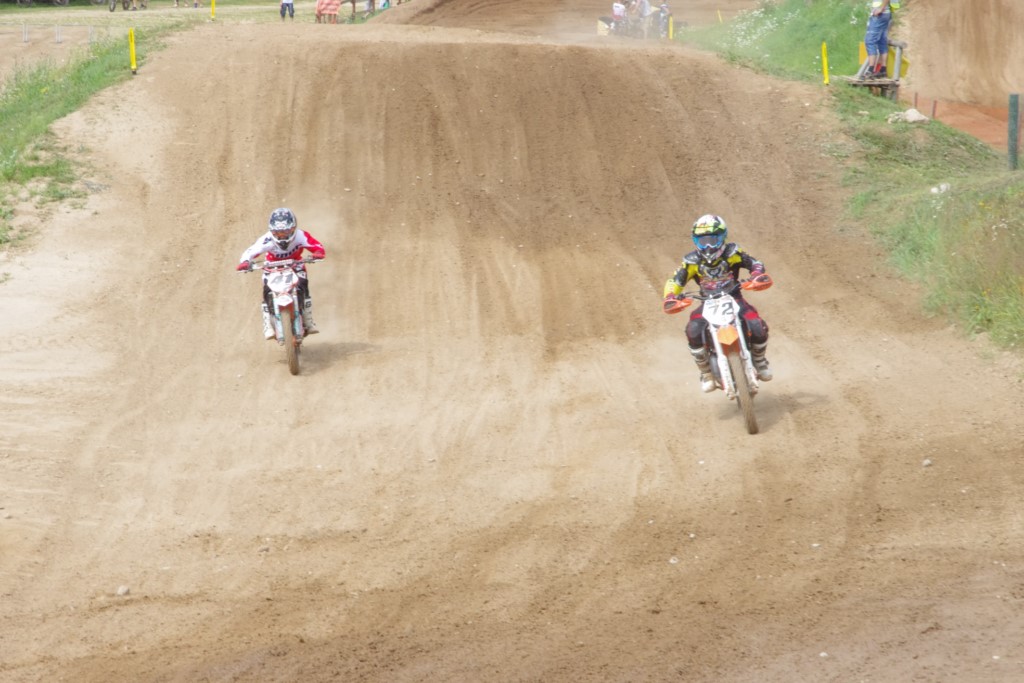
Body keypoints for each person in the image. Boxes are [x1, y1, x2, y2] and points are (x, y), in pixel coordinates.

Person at [663, 214, 772, 393]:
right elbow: (675, 281)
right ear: (696, 241)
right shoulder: (691, 261)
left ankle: (759, 361)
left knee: (756, 324)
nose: (707, 245)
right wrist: (670, 296)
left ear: (722, 237)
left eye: (712, 240)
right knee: (693, 330)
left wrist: (757, 275)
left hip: (734, 298)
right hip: (708, 302)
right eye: (702, 241)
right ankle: (706, 372)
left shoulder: (732, 253)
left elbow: (754, 263)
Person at [236, 208, 326, 340]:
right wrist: (245, 262)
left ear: (293, 228)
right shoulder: (266, 239)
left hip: (295, 265)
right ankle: (267, 325)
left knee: (303, 284)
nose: (282, 235)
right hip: (272, 267)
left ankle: (308, 320)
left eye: (286, 231)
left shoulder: (301, 235)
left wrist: (318, 253)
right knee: (267, 290)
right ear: (272, 231)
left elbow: (317, 246)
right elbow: (251, 251)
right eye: (278, 232)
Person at [862, 0, 892, 79]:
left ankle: (870, 70)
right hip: (884, 14)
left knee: (870, 41)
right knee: (882, 41)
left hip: (879, 15)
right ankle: (883, 69)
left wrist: (881, 9)